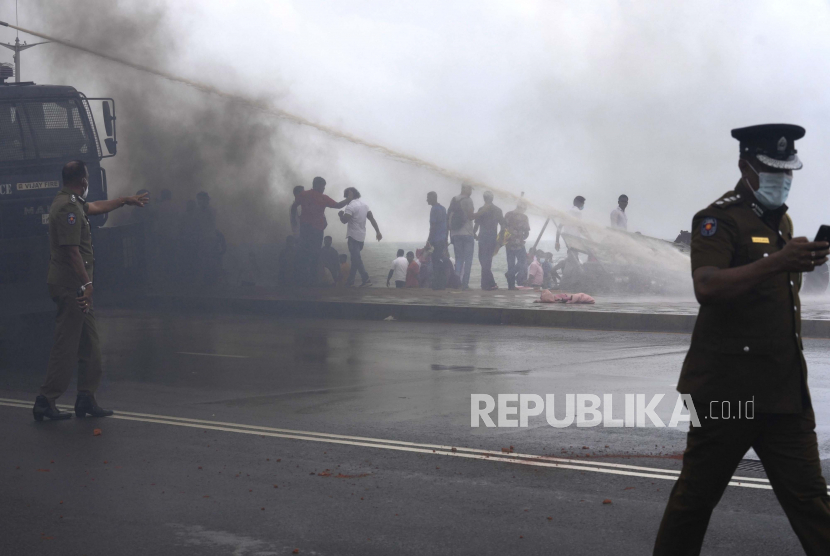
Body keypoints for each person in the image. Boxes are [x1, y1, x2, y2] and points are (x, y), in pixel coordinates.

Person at [654, 124, 830, 555]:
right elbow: (708, 287)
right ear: (745, 167)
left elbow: (777, 297)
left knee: (811, 501)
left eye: (788, 170)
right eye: (772, 170)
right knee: (695, 500)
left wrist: (800, 263)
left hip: (783, 392)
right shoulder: (719, 220)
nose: (783, 179)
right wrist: (778, 263)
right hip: (726, 393)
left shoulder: (781, 221)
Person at [33, 160, 149, 421]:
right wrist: (87, 285)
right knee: (67, 345)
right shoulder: (67, 208)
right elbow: (72, 251)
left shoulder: (72, 202)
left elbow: (94, 207)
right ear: (83, 181)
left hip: (77, 286)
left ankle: (85, 397)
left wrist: (124, 200)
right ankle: (45, 400)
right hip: (72, 285)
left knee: (91, 345)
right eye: (87, 180)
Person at [291, 177, 349, 286]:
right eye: (323, 186)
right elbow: (337, 205)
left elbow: (294, 206)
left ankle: (304, 280)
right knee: (314, 255)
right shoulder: (322, 198)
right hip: (315, 230)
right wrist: (348, 200)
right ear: (317, 185)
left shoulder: (304, 194)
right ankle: (311, 280)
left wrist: (294, 218)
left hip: (307, 229)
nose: (323, 188)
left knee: (305, 254)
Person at [338, 186, 382, 287]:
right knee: (355, 259)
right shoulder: (365, 205)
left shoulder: (350, 207)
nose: (346, 200)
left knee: (356, 259)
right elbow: (371, 219)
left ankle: (366, 279)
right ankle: (350, 281)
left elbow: (344, 220)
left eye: (346, 197)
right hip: (361, 237)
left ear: (349, 195)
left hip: (353, 237)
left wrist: (340, 215)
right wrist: (378, 232)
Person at [473, 191, 504, 290]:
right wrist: (500, 239)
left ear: (484, 198)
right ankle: (487, 284)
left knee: (483, 261)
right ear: (492, 198)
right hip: (492, 238)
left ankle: (489, 284)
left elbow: (476, 225)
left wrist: (474, 234)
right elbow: (503, 226)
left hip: (483, 238)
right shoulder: (498, 210)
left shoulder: (481, 210)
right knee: (487, 262)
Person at [447, 184, 475, 290]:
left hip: (455, 234)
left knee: (459, 259)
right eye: (470, 189)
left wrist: (450, 234)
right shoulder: (468, 200)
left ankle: (456, 282)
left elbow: (449, 214)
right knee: (468, 260)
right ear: (464, 188)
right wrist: (482, 212)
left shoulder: (454, 199)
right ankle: (465, 284)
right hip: (467, 233)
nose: (471, 191)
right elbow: (471, 216)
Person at [503, 200, 530, 290]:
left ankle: (511, 286)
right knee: (523, 261)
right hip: (519, 244)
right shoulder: (524, 217)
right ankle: (510, 273)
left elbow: (503, 229)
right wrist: (522, 237)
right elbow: (526, 233)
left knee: (510, 264)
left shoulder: (508, 214)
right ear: (523, 208)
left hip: (508, 243)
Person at [426, 191, 448, 290]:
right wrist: (446, 239)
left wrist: (429, 239)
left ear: (433, 198)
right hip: (442, 239)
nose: (427, 200)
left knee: (435, 261)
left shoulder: (434, 209)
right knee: (440, 260)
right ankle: (442, 283)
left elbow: (433, 226)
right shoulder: (443, 209)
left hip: (436, 239)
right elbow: (446, 225)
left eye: (428, 198)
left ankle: (437, 284)